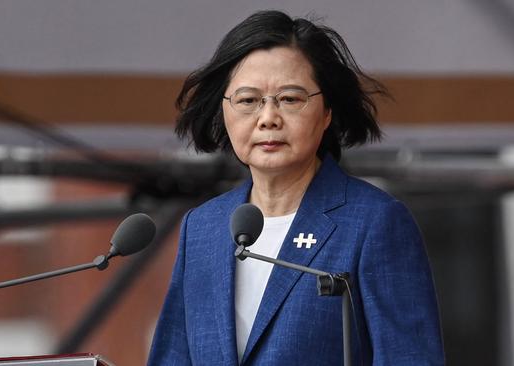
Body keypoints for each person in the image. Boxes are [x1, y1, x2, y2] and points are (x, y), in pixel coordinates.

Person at [147, 10, 444, 366]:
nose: (268, 117)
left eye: (289, 99)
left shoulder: (374, 223)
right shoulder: (203, 228)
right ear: (222, 112)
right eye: (247, 100)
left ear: (327, 112)